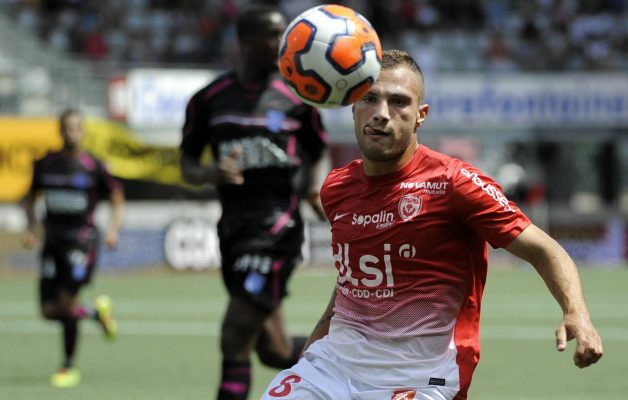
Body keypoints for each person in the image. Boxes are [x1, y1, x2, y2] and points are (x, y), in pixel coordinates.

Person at [261, 49, 603, 400]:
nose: (381, 114)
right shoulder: (336, 187)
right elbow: (351, 280)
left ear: (420, 115)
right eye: (370, 99)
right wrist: (316, 341)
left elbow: (545, 249)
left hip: (420, 377)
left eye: (398, 102)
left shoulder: (455, 182)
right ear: (353, 107)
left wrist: (577, 313)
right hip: (332, 367)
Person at [179, 5, 329, 400]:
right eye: (274, 38)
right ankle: (341, 368)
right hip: (233, 230)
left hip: (277, 227)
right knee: (272, 350)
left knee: (234, 336)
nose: (284, 46)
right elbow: (188, 165)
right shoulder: (209, 100)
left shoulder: (297, 99)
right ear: (246, 43)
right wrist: (211, 173)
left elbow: (320, 150)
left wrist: (315, 187)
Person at [22, 108, 124, 388]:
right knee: (48, 310)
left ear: (83, 131)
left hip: (82, 243)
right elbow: (30, 197)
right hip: (52, 243)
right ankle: (96, 313)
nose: (72, 133)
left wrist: (114, 229)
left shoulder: (94, 165)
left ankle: (68, 367)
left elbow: (117, 196)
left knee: (66, 306)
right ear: (60, 130)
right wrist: (31, 226)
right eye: (67, 128)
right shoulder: (46, 164)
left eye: (76, 128)